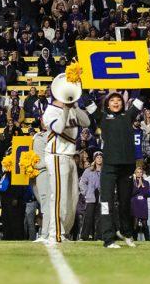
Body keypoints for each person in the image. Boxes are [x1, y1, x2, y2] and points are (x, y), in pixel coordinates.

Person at [40, 82, 91, 243]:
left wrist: (74, 105)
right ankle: (54, 233)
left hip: (70, 155)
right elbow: (59, 128)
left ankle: (63, 232)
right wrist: (67, 109)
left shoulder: (72, 108)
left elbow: (87, 122)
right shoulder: (50, 111)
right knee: (59, 197)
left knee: (72, 198)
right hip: (56, 155)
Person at [94, 91, 143, 249]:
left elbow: (140, 95)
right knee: (106, 202)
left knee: (125, 203)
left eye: (118, 100)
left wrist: (146, 74)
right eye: (112, 100)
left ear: (123, 103)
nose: (115, 102)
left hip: (127, 167)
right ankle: (108, 238)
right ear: (107, 104)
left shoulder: (128, 116)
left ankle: (126, 233)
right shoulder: (102, 117)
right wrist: (78, 81)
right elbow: (88, 104)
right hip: (109, 167)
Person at [78, 151, 103, 241]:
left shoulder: (105, 171)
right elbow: (82, 182)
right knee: (88, 217)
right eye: (97, 157)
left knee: (101, 217)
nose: (99, 159)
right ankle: (84, 236)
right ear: (94, 159)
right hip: (91, 196)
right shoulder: (88, 170)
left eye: (101, 157)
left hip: (102, 197)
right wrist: (86, 192)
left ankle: (99, 236)